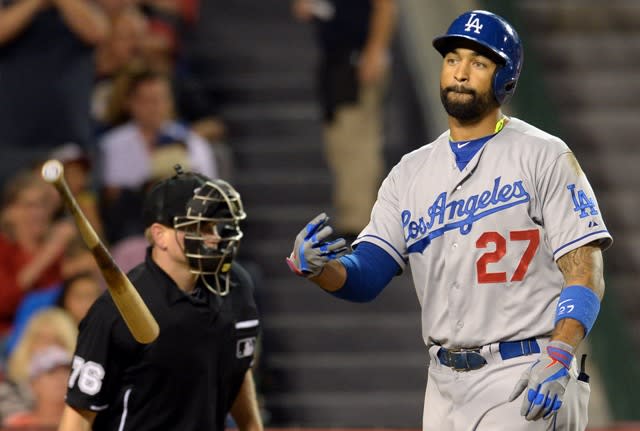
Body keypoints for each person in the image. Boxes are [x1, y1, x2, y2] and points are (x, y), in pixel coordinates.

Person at [286, 10, 612, 431]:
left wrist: (560, 353)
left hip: (525, 370)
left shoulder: (543, 155)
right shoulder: (410, 172)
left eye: (478, 63)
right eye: (453, 59)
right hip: (442, 385)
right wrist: (318, 269)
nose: (460, 72)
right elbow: (365, 275)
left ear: (505, 77)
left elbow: (585, 271)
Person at [58, 166, 263, 431]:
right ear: (160, 235)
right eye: (199, 227)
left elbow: (238, 368)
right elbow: (79, 412)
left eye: (215, 225)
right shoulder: (118, 308)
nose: (213, 237)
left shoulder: (236, 285)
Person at [292, 0, 396, 241]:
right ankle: (354, 217)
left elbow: (385, 6)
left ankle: (360, 223)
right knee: (339, 142)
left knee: (357, 141)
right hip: (336, 63)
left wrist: (375, 50)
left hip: (357, 61)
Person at [2, 345, 72, 428]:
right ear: (34, 384)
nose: (61, 377)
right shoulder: (17, 425)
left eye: (67, 371)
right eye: (51, 372)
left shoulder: (85, 422)